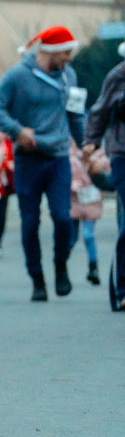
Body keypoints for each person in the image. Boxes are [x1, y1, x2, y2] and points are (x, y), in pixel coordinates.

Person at [0, 27, 87, 301]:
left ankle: (60, 265)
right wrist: (17, 130)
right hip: (27, 161)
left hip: (58, 158)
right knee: (30, 223)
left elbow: (76, 115)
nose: (69, 58)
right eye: (65, 52)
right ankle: (37, 279)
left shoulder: (69, 76)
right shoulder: (17, 76)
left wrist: (87, 146)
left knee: (63, 218)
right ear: (49, 51)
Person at [83, 42, 125, 308]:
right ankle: (122, 289)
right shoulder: (118, 76)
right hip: (123, 153)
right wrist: (91, 141)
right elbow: (100, 111)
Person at [69, 142, 111, 285]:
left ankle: (93, 268)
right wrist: (71, 185)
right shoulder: (70, 158)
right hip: (74, 202)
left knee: (88, 235)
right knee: (71, 238)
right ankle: (62, 264)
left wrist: (97, 167)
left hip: (91, 202)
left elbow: (109, 177)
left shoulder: (100, 159)